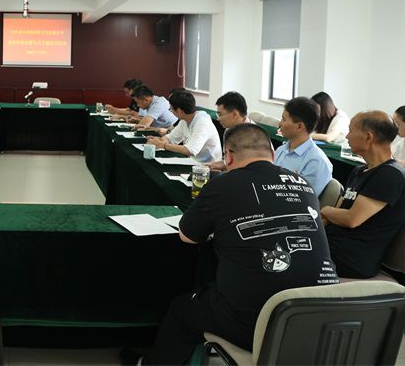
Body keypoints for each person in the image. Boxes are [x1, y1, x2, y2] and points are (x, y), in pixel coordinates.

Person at [131, 124, 338, 365]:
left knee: (182, 309)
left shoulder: (223, 184)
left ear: (228, 156)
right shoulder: (302, 183)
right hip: (321, 316)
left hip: (258, 322)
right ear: (273, 154)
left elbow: (188, 236)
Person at [322, 111, 405, 278]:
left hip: (351, 259)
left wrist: (325, 210)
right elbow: (338, 211)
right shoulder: (359, 171)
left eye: (350, 130)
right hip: (331, 246)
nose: (346, 136)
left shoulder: (390, 175)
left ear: (368, 137)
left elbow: (351, 219)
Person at [274, 97, 333, 197]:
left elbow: (304, 199)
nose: (279, 123)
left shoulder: (316, 161)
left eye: (284, 119)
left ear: (299, 126)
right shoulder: (281, 150)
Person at [147, 90, 221, 163]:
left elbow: (190, 150)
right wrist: (160, 140)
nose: (171, 112)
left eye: (171, 109)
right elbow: (170, 138)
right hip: (193, 161)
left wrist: (163, 145)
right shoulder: (185, 119)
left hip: (209, 166)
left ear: (179, 111)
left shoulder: (203, 122)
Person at [207, 91, 254, 171]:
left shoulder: (255, 135)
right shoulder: (228, 130)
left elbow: (247, 166)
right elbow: (228, 160)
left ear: (234, 114)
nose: (218, 119)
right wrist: (214, 165)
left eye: (220, 114)